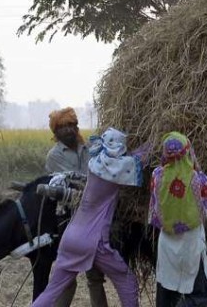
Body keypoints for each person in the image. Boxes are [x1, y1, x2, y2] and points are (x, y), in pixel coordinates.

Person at [32, 128, 148, 307]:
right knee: (127, 281)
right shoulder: (115, 170)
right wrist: (156, 140)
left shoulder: (95, 163)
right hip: (94, 241)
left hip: (70, 237)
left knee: (51, 292)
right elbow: (141, 158)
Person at [44, 108, 109, 307]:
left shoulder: (90, 147)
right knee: (67, 277)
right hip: (68, 220)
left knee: (95, 275)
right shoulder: (54, 156)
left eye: (71, 125)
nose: (68, 130)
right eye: (62, 127)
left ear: (76, 127)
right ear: (55, 132)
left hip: (94, 217)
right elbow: (73, 182)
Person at [149, 131, 207, 307]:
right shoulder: (198, 179)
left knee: (166, 293)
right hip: (191, 245)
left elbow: (154, 210)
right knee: (202, 294)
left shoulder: (157, 176)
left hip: (166, 245)